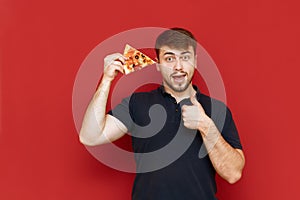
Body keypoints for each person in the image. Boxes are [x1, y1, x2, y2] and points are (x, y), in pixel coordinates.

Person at [79, 28, 245, 199]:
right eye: (170, 58)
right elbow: (90, 137)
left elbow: (233, 174)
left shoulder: (217, 110)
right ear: (158, 64)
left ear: (195, 61)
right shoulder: (137, 104)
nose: (178, 66)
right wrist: (106, 79)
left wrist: (205, 125)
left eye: (185, 57)